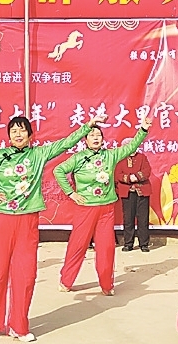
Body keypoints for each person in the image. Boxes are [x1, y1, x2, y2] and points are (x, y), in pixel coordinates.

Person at [0, 111, 106, 342]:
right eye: (13, 131)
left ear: (30, 135)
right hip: (2, 220)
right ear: (8, 136)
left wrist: (86, 126)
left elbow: (65, 144)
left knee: (26, 273)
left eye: (22, 130)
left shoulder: (39, 154)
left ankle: (18, 325)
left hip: (28, 221)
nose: (18, 134)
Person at [55, 116, 153, 294]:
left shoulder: (110, 155)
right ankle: (66, 280)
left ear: (103, 139)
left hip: (106, 210)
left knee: (106, 248)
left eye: (98, 135)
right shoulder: (78, 158)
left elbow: (131, 147)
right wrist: (71, 193)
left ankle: (107, 285)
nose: (95, 137)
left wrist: (143, 129)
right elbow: (58, 170)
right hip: (85, 209)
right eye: (92, 135)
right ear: (85, 140)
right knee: (78, 246)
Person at [115, 143, 153, 252]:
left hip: (142, 192)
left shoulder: (142, 157)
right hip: (127, 192)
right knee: (128, 219)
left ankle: (144, 244)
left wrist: (136, 177)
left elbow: (147, 171)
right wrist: (128, 178)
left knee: (143, 219)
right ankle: (128, 243)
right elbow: (117, 174)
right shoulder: (120, 159)